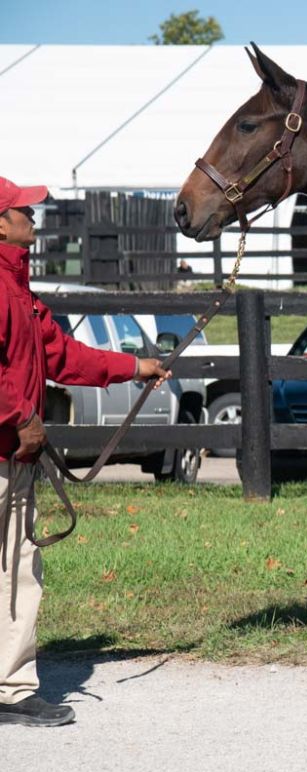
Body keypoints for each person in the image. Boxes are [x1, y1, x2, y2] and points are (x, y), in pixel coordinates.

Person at [0, 177, 170, 727]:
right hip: (8, 448)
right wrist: (19, 417)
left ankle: (11, 688)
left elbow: (64, 356)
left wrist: (133, 367)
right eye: (25, 210)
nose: (34, 218)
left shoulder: (21, 292)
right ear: (0, 224)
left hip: (15, 459)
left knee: (18, 570)